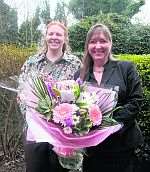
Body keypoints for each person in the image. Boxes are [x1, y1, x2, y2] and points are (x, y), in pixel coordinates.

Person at [74, 23, 144, 172]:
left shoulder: (126, 68)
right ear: (87, 46)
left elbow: (136, 101)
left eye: (103, 41)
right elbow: (75, 107)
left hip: (122, 146)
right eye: (93, 42)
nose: (98, 46)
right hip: (92, 150)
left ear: (110, 43)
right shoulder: (79, 75)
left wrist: (107, 124)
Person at [17, 21, 81, 172]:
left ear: (65, 38)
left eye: (59, 34)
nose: (54, 37)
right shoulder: (32, 63)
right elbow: (21, 93)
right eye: (51, 33)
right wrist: (33, 117)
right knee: (35, 168)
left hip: (63, 132)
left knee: (61, 169)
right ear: (45, 36)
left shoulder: (75, 64)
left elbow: (81, 95)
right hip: (35, 130)